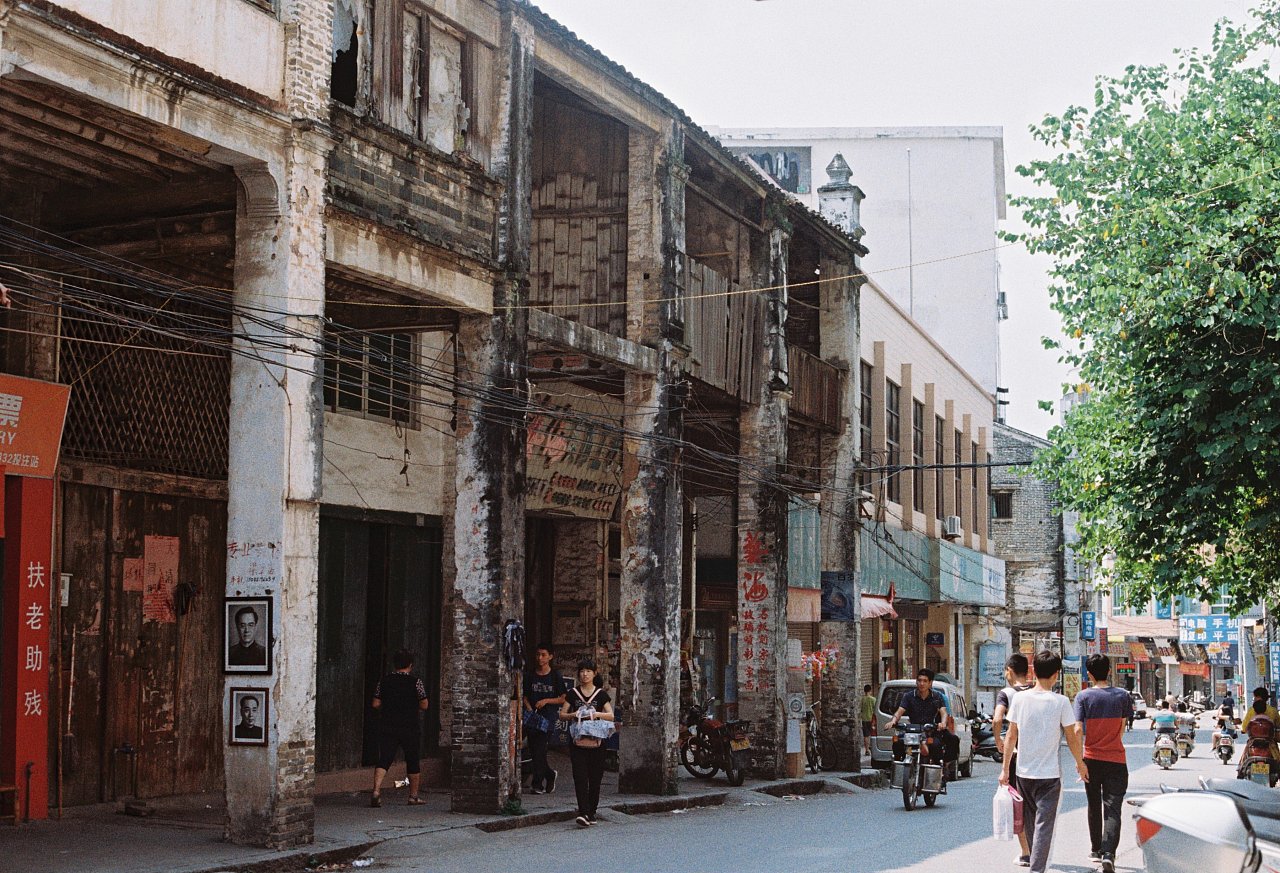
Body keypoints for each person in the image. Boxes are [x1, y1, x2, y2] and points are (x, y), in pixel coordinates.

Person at [999, 650, 1089, 873]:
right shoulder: (1060, 702)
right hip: (1049, 777)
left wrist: (1004, 770)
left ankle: (1035, 864)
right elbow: (1071, 737)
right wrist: (1080, 763)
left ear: (1034, 671)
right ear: (1056, 675)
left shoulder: (1019, 699)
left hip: (1023, 774)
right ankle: (1037, 869)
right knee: (1044, 827)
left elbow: (1011, 736)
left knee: (1031, 825)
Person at [1074, 654, 1133, 873]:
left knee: (1093, 804)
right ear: (1109, 671)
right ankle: (1109, 853)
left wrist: (1080, 759)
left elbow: (1078, 729)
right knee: (1113, 808)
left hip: (1091, 758)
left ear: (1089, 674)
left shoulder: (1083, 697)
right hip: (1116, 759)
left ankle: (1096, 849)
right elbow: (1122, 726)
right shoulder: (1123, 696)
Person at [370, 648, 429, 808]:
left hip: (388, 725)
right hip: (409, 726)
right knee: (412, 759)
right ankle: (413, 796)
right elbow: (424, 704)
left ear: (394, 664)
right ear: (411, 665)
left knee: (385, 758)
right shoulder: (416, 682)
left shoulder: (384, 681)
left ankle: (376, 791)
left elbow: (375, 703)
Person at [559, 658, 614, 827]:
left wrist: (595, 714)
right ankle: (583, 812)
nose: (585, 674)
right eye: (582, 671)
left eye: (588, 671)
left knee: (595, 777)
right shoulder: (573, 694)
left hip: (597, 742)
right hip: (577, 742)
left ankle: (592, 811)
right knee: (580, 776)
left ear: (594, 673)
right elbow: (562, 715)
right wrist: (574, 714)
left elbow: (611, 715)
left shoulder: (601, 694)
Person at [992, 653, 1034, 867]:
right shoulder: (1039, 689)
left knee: (1020, 803)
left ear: (1009, 669)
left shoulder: (1007, 693)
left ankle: (1027, 852)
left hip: (1018, 755)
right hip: (1039, 754)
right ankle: (1039, 847)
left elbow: (998, 718)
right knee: (1038, 804)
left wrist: (999, 739)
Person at [886, 669, 956, 769]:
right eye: (919, 680)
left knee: (942, 743)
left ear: (930, 683)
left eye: (925, 681)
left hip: (930, 730)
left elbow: (943, 712)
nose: (921, 683)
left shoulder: (937, 697)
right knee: (897, 742)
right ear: (916, 682)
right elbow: (899, 711)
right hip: (913, 731)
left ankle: (942, 767)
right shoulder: (908, 696)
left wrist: (943, 723)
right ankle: (897, 767)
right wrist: (893, 721)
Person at [523, 642, 566, 795]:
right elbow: (525, 695)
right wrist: (528, 707)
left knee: (540, 748)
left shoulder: (555, 676)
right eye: (538, 655)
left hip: (548, 717)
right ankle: (549, 774)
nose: (540, 658)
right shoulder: (530, 675)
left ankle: (537, 784)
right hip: (532, 717)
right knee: (535, 751)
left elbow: (563, 698)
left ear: (550, 657)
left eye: (543, 655)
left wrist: (547, 700)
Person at [859, 684, 877, 756]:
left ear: (864, 691)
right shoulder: (873, 699)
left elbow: (861, 709)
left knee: (866, 735)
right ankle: (872, 749)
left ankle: (866, 750)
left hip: (864, 719)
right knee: (872, 734)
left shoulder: (862, 699)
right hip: (872, 720)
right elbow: (875, 709)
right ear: (870, 690)